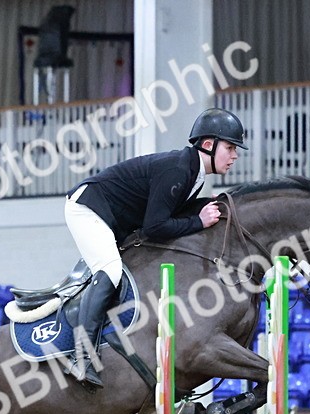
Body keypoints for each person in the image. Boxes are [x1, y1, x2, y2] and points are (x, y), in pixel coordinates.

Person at [62, 107, 247, 388]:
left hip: (113, 217)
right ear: (208, 145)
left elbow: (170, 215)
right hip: (88, 208)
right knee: (110, 270)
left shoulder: (193, 172)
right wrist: (198, 222)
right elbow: (155, 227)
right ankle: (81, 354)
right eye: (231, 147)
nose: (235, 155)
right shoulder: (178, 169)